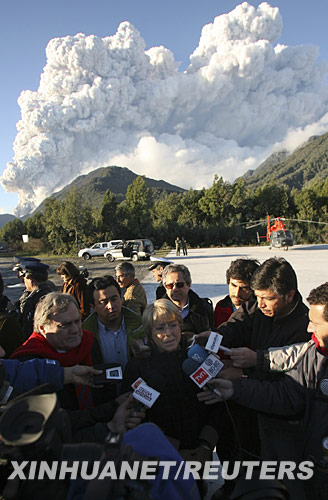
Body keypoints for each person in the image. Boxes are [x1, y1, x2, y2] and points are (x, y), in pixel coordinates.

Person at [198, 282, 328, 500]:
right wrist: (235, 389)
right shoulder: (314, 354)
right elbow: (287, 395)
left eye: (315, 323)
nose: (308, 329)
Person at [122, 299, 220, 498]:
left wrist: (205, 446)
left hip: (199, 454)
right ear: (149, 333)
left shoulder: (197, 357)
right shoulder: (138, 366)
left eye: (173, 325)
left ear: (180, 325)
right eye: (159, 328)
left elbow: (217, 405)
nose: (168, 333)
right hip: (161, 460)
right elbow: (135, 419)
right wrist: (172, 452)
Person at [10, 292, 110, 409]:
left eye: (77, 321)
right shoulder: (28, 361)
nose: (75, 330)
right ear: (43, 328)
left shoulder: (89, 343)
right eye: (65, 325)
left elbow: (103, 388)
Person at [83, 275, 146, 368]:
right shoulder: (85, 337)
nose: (111, 306)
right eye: (103, 302)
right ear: (93, 307)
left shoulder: (141, 326)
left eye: (114, 299)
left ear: (121, 299)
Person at [162, 263, 214, 341]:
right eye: (170, 285)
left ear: (189, 284)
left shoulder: (204, 308)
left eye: (179, 284)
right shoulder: (157, 312)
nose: (175, 289)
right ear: (165, 286)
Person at [214, 258, 259, 327]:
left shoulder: (262, 311)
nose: (237, 293)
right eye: (233, 285)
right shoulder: (221, 307)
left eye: (244, 288)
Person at [18, 261, 57, 338]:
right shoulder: (49, 293)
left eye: (25, 278)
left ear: (30, 279)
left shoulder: (38, 299)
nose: (24, 281)